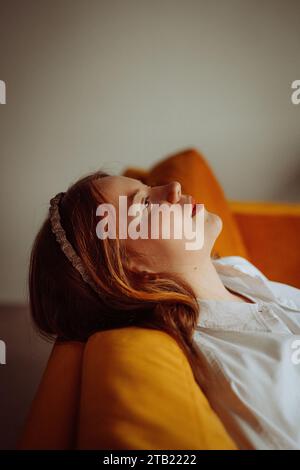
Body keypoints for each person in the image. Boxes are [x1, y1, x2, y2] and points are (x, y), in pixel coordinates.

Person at [29, 170, 300, 450]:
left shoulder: (235, 270)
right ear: (127, 269)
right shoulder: (238, 374)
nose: (174, 187)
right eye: (144, 205)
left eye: (149, 188)